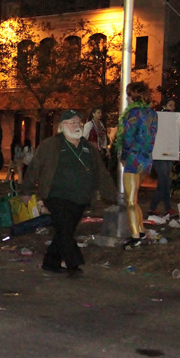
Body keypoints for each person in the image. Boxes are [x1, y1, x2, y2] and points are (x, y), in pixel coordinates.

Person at [19, 110, 117, 278]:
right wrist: (26, 190)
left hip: (80, 198)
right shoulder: (50, 145)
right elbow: (34, 167)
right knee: (65, 230)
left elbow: (101, 172)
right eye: (71, 122)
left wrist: (114, 195)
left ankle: (51, 262)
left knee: (64, 231)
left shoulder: (88, 148)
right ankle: (74, 263)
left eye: (78, 123)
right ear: (62, 126)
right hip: (56, 195)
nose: (75, 126)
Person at [114, 81, 158, 249]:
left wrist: (124, 155)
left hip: (133, 157)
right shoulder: (152, 113)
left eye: (128, 94)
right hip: (146, 158)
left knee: (130, 200)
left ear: (133, 95)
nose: (127, 97)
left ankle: (135, 237)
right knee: (135, 198)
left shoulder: (132, 113)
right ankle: (140, 230)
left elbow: (126, 136)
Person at [148, 98, 177, 216]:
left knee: (164, 181)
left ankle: (154, 207)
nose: (172, 107)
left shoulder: (172, 119)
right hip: (159, 153)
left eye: (173, 105)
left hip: (168, 153)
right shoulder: (160, 117)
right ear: (164, 106)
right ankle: (167, 207)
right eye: (170, 105)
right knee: (164, 179)